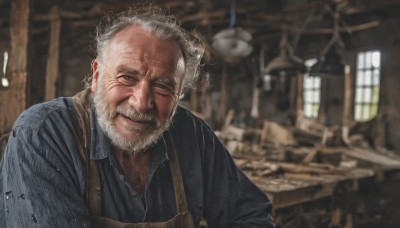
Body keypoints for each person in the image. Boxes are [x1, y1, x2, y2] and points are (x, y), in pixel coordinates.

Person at [0, 8, 275, 228]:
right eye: (127, 77)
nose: (142, 103)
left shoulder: (192, 134)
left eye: (163, 86)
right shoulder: (43, 134)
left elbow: (250, 215)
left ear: (179, 93)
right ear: (96, 76)